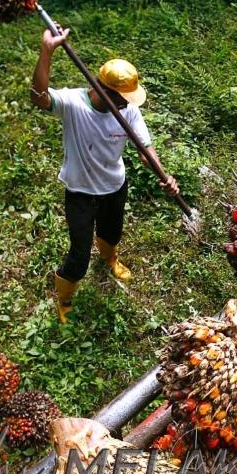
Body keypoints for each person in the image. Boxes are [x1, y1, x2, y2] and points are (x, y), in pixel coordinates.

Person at [30, 25, 180, 324]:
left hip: (114, 186)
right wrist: (47, 51)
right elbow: (38, 97)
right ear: (102, 90)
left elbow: (144, 150)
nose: (127, 104)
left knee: (112, 232)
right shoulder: (73, 104)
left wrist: (166, 176)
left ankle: (110, 259)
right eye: (122, 98)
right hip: (81, 192)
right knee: (79, 252)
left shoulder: (128, 111)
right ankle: (65, 297)